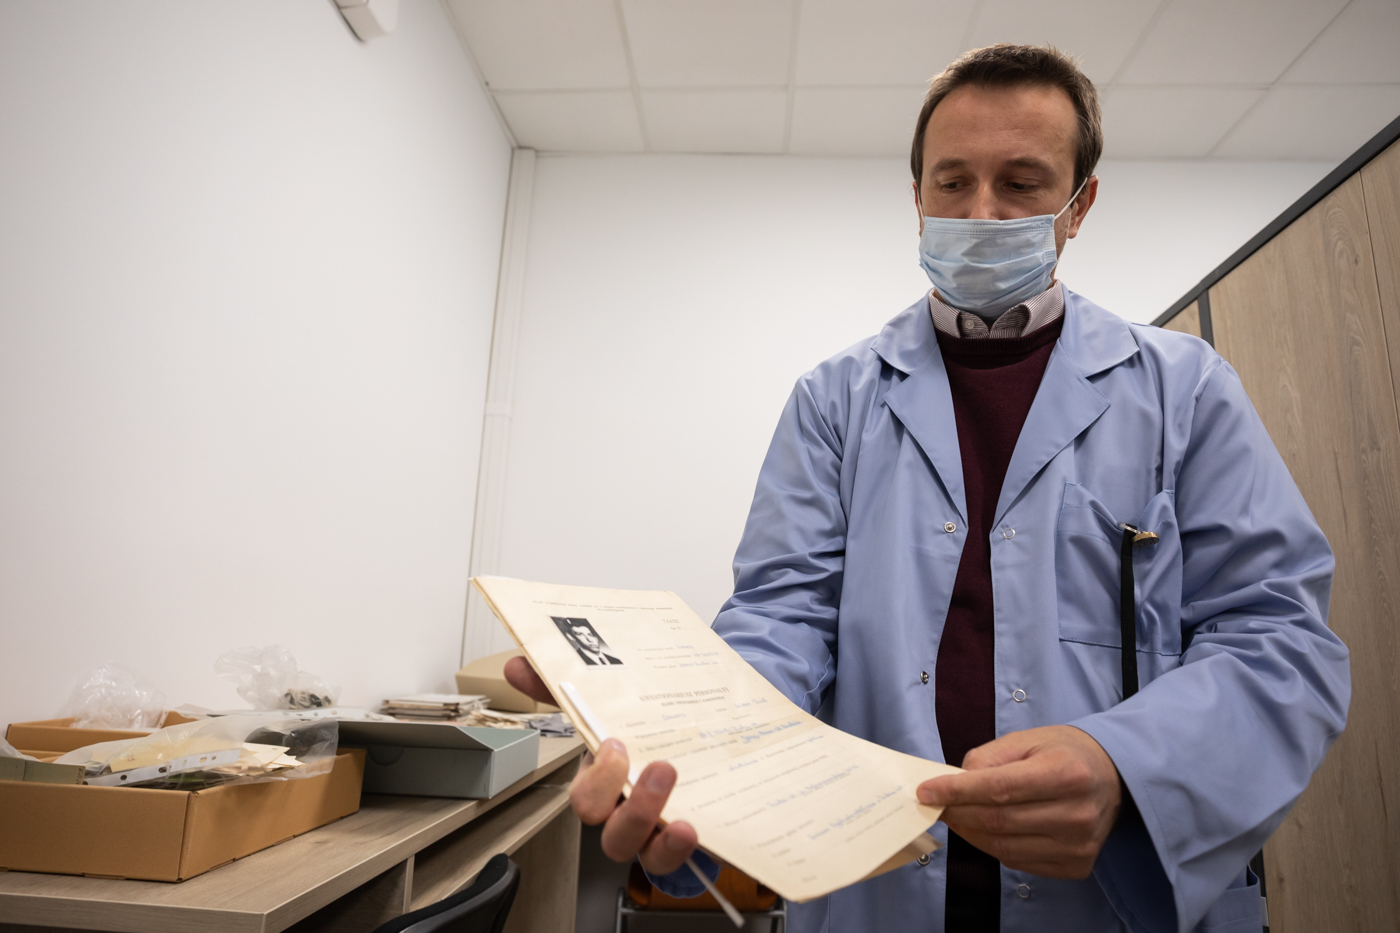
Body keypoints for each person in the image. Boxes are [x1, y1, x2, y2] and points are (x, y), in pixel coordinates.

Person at [506, 44, 1350, 933]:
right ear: (917, 197)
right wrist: (691, 764)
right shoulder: (834, 401)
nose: (981, 213)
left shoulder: (1188, 391)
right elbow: (782, 621)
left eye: (1021, 183)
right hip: (876, 894)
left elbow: (1281, 639)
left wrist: (1126, 764)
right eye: (952, 182)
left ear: (1079, 205)